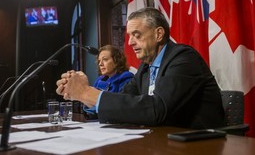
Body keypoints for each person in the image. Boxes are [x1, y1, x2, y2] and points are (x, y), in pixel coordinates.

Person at [56, 7, 225, 129]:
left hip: (199, 144)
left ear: (158, 34)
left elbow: (157, 109)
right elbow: (123, 100)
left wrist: (86, 93)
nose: (130, 42)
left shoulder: (184, 59)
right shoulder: (145, 67)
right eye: (129, 36)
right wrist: (80, 94)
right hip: (163, 141)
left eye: (137, 35)